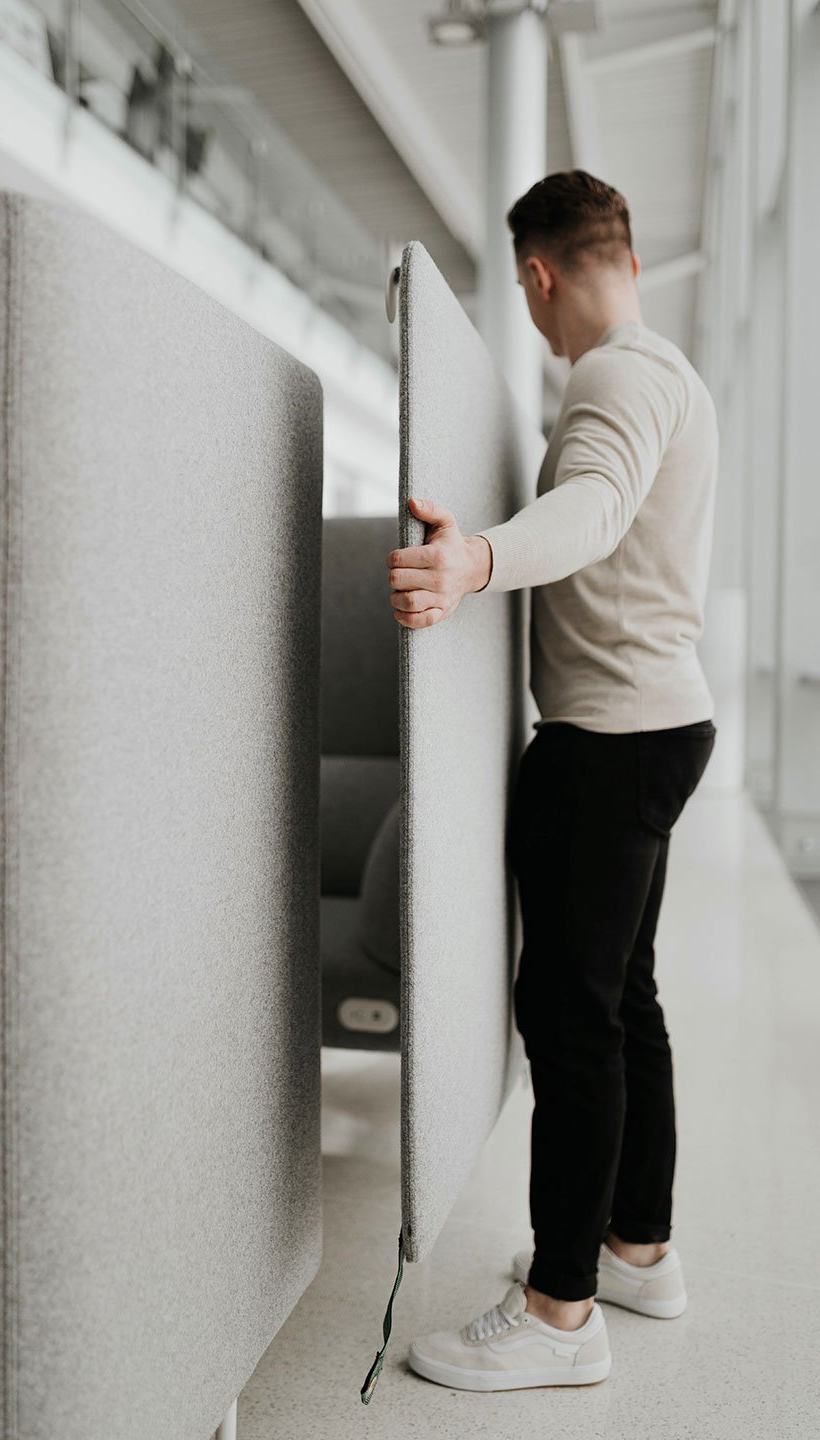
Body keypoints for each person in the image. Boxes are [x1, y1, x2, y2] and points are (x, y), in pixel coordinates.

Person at [388, 169, 718, 1393]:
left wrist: (473, 557)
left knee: (571, 1019)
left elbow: (591, 511)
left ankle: (560, 1314)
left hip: (612, 737)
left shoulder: (612, 379)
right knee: (623, 999)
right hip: (663, 721)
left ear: (538, 275)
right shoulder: (673, 371)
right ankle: (637, 1247)